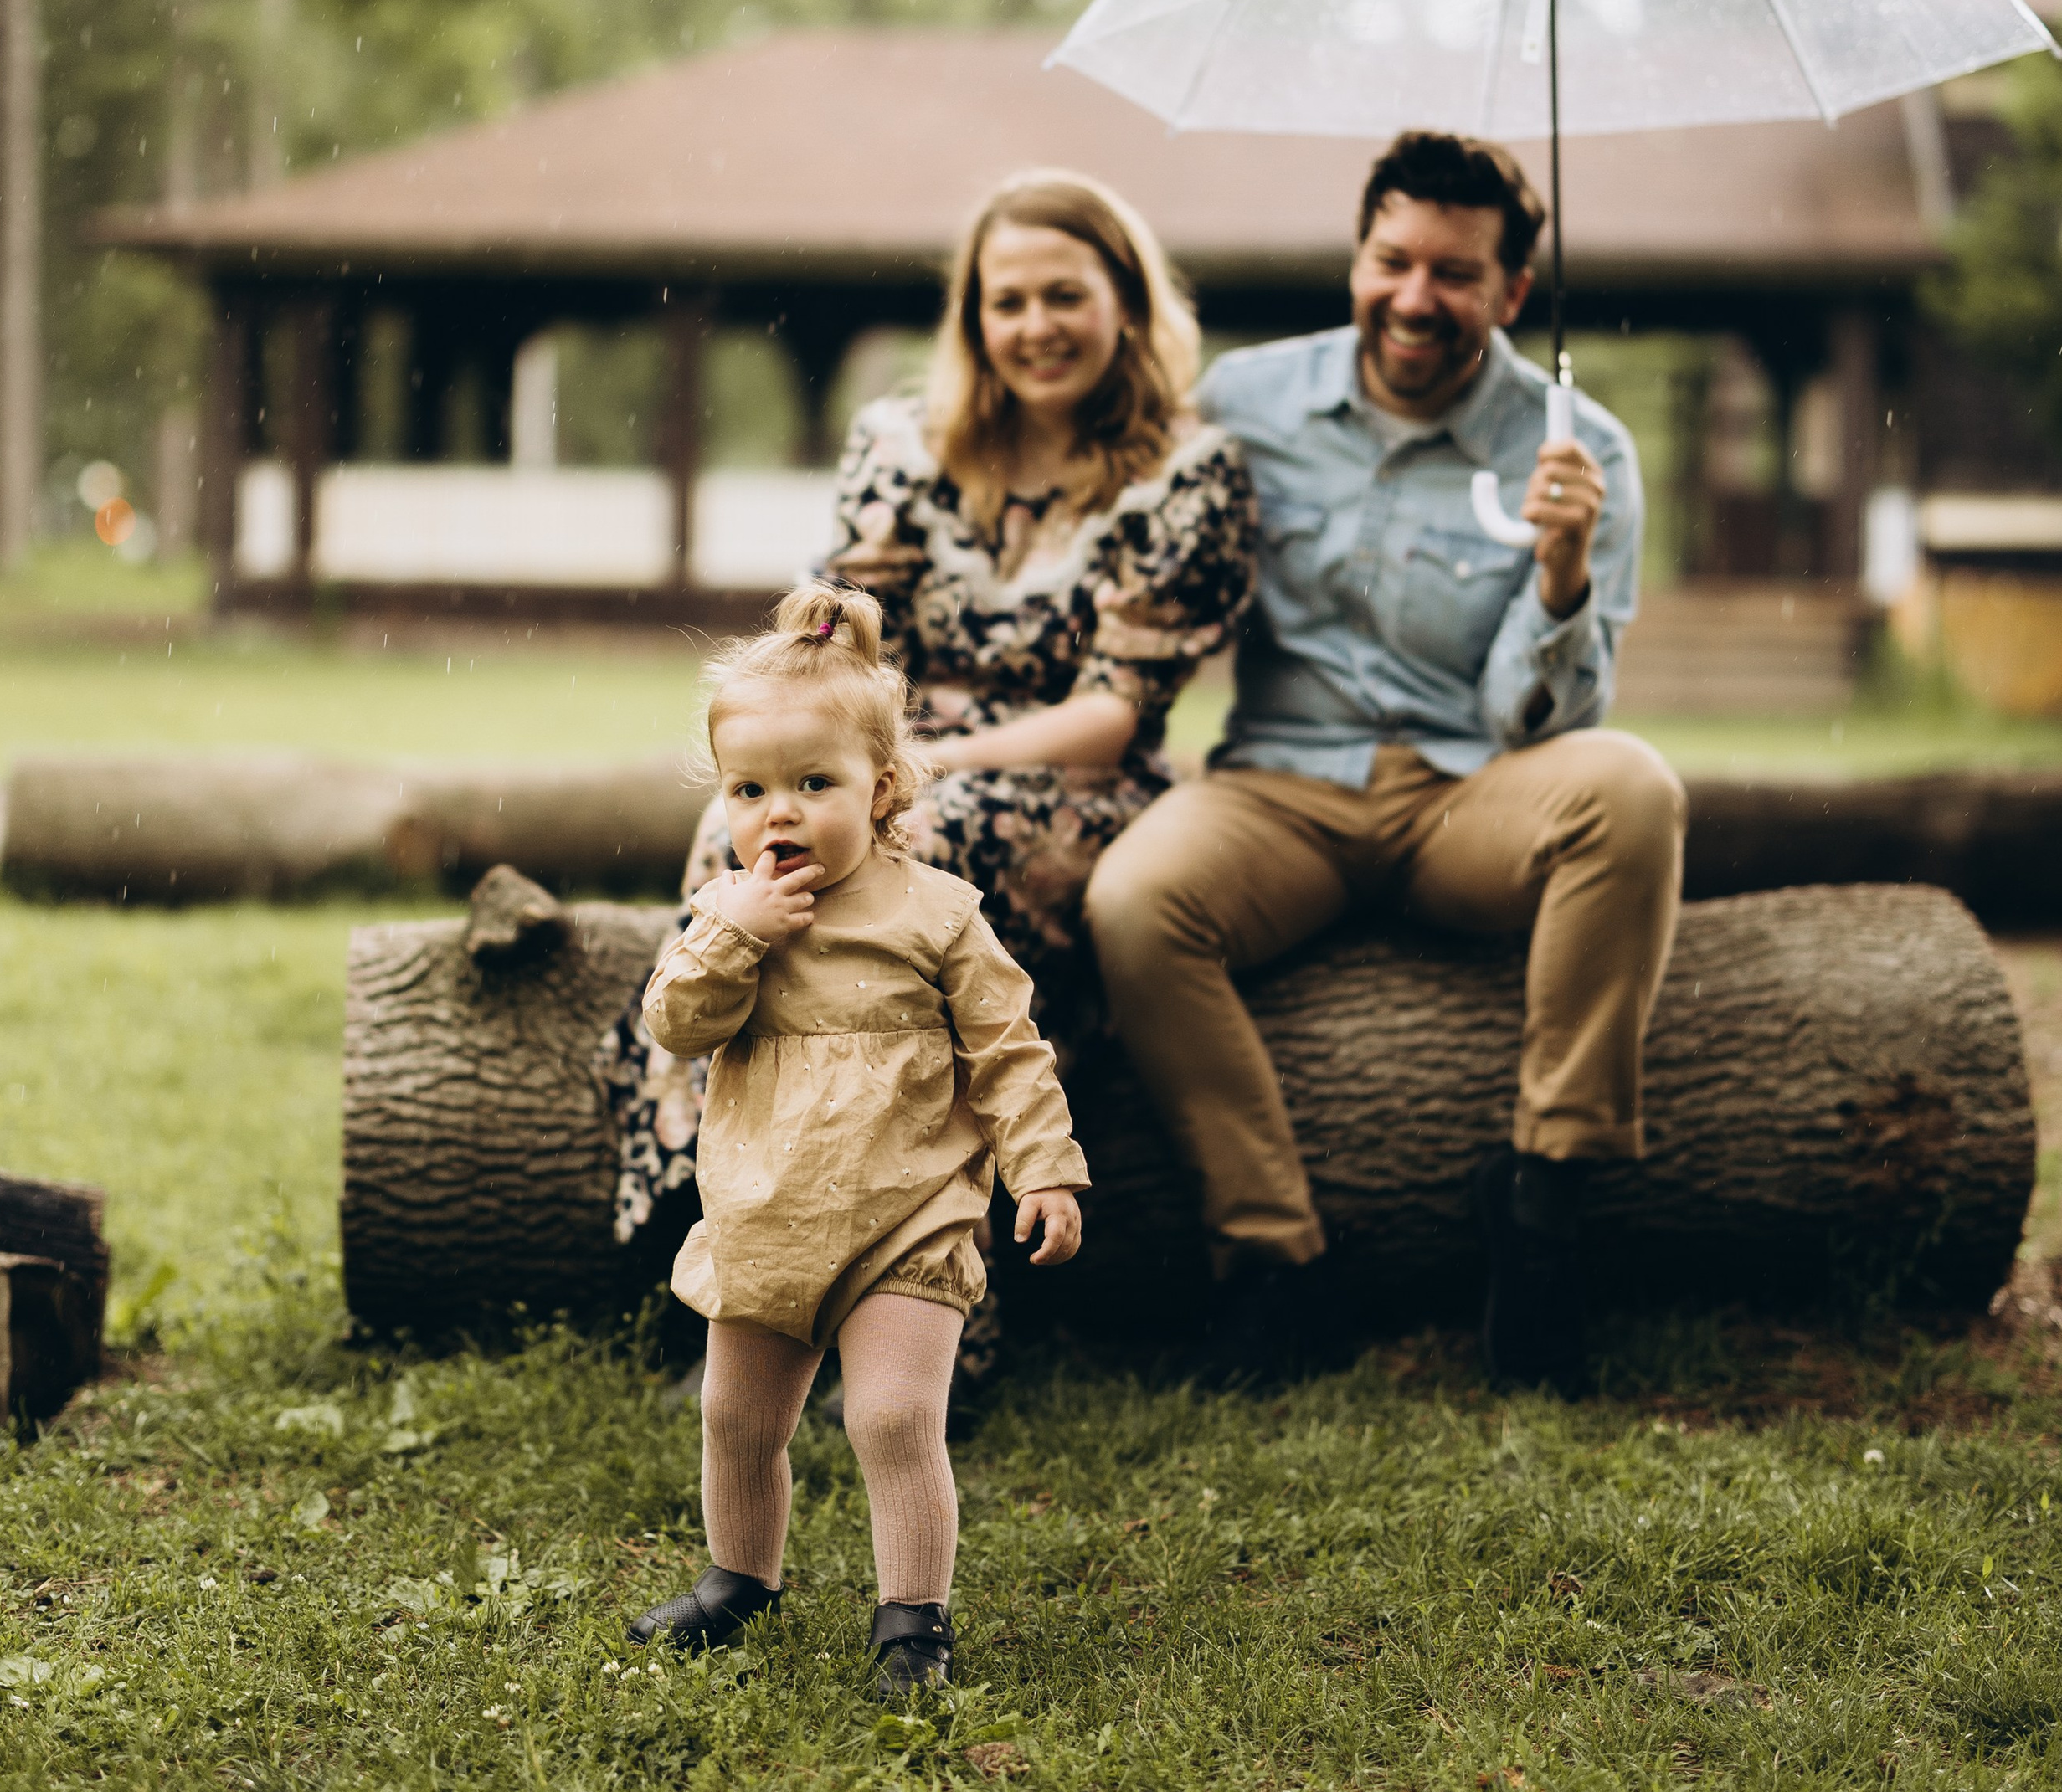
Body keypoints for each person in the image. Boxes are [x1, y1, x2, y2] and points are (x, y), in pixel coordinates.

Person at [1083, 129, 1687, 1398]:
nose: (1416, 298)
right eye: (1392, 260)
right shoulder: (1245, 403)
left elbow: (1545, 718)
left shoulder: (1581, 451)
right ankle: (1274, 1261)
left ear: (1513, 292)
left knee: (1632, 786)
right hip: (1277, 789)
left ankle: (1544, 1205)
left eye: (1456, 274)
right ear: (1357, 258)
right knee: (1135, 903)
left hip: (1467, 791)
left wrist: (1563, 572)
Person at [607, 170, 1257, 1326]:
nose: (1036, 326)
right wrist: (856, 762)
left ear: (1128, 304)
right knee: (736, 833)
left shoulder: (1186, 471)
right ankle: (700, 1225)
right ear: (973, 317)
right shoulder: (901, 445)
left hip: (1074, 776)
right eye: (1007, 301)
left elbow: (1114, 709)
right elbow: (843, 646)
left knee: (927, 852)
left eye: (1066, 295)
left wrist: (935, 764)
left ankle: (937, 1285)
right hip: (881, 751)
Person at [625, 583, 1088, 1695]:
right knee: (737, 1416)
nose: (777, 815)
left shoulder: (937, 913)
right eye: (750, 790)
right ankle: (740, 1577)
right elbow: (676, 1025)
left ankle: (912, 1624)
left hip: (905, 1214)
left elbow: (1008, 1052)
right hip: (768, 1212)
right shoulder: (727, 916)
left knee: (889, 1418)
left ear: (881, 790)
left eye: (813, 785)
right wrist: (733, 939)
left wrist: (1046, 1170)